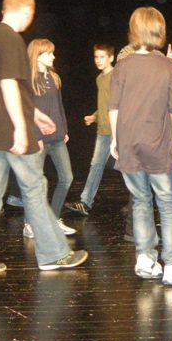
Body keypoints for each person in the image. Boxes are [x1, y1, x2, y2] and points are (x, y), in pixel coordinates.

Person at [0, 0, 87, 273]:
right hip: (9, 129)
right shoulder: (11, 39)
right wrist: (20, 127)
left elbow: (7, 89)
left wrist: (35, 115)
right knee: (34, 186)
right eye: (31, 13)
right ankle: (53, 254)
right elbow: (8, 85)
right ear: (25, 11)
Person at [110, 7, 172, 285]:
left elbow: (114, 108)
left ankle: (146, 260)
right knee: (168, 202)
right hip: (157, 143)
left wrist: (115, 139)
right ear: (159, 31)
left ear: (134, 31)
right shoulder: (170, 67)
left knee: (140, 200)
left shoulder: (122, 66)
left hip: (129, 143)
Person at [26, 39, 76, 236]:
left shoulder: (53, 77)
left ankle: (54, 219)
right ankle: (30, 224)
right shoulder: (29, 79)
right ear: (38, 55)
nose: (53, 57)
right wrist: (36, 136)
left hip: (56, 138)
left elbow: (59, 106)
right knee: (36, 183)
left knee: (67, 178)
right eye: (49, 53)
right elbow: (27, 111)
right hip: (38, 139)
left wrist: (64, 130)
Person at [65, 44, 115, 217]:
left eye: (102, 57)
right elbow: (105, 103)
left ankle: (143, 197)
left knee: (126, 167)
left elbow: (119, 103)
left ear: (111, 58)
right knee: (97, 164)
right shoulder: (100, 78)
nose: (98, 60)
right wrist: (94, 116)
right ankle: (85, 202)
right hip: (103, 130)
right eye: (96, 57)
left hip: (116, 130)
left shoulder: (116, 76)